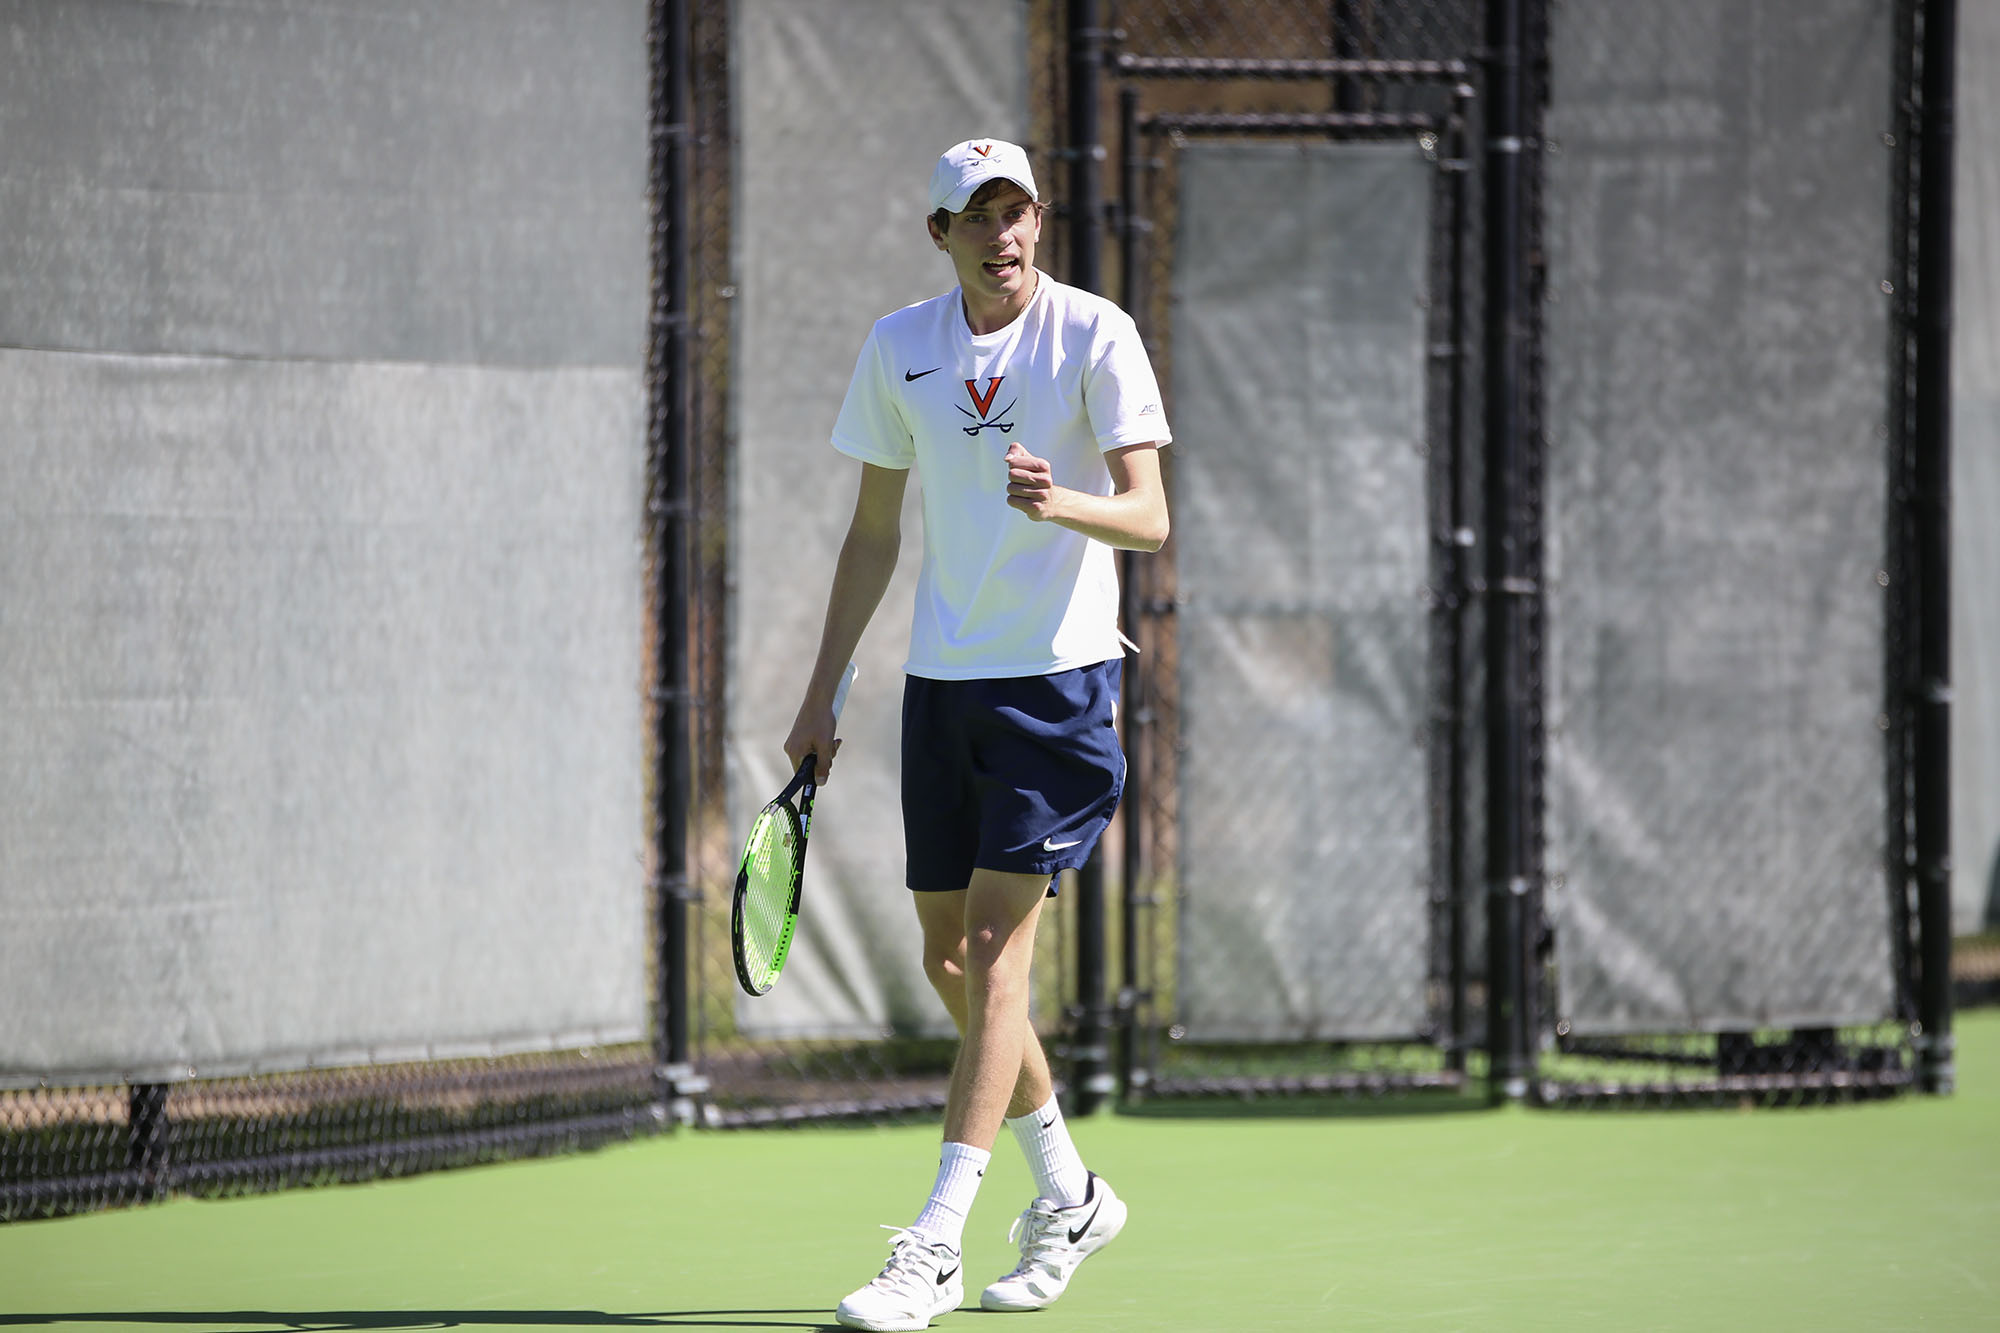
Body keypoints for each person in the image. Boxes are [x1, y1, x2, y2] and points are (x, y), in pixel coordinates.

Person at [783, 138, 1171, 1333]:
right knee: (948, 963)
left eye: (1019, 213)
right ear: (936, 232)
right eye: (979, 217)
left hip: (1057, 690)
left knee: (999, 959)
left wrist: (1066, 502)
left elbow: (1149, 517)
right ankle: (1071, 1191)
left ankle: (932, 1247)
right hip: (942, 687)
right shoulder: (898, 348)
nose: (1004, 235)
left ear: (1035, 221)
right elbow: (871, 535)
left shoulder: (1094, 334)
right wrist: (820, 693)